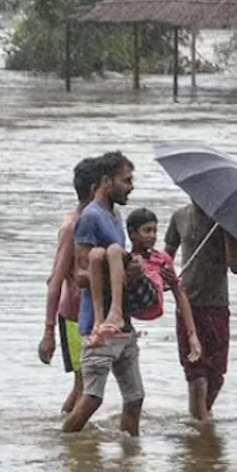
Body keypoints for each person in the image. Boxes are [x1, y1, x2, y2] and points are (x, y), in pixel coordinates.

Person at [63, 152, 146, 436]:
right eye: (126, 180)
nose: (131, 187)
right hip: (98, 325)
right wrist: (117, 276)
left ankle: (130, 456)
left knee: (135, 398)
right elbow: (81, 275)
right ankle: (64, 447)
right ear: (106, 181)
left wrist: (131, 270)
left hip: (123, 322)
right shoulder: (90, 217)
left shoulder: (115, 215)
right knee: (92, 399)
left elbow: (117, 264)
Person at [165, 201, 237, 423]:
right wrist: (164, 278)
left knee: (216, 376)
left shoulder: (227, 222)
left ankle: (200, 421)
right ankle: (201, 430)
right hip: (187, 304)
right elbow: (167, 255)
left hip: (217, 304)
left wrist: (228, 233)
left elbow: (236, 266)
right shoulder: (180, 216)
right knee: (195, 373)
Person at [39, 157, 100, 414]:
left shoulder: (103, 220)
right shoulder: (71, 227)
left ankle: (71, 432)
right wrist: (49, 332)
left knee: (88, 384)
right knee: (84, 386)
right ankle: (67, 431)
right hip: (74, 315)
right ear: (96, 188)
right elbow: (55, 280)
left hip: (96, 313)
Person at [124, 207, 202, 365]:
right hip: (133, 301)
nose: (152, 236)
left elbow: (179, 294)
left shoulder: (162, 260)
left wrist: (192, 334)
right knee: (132, 263)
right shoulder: (127, 259)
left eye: (155, 231)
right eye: (147, 231)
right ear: (132, 234)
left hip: (152, 302)